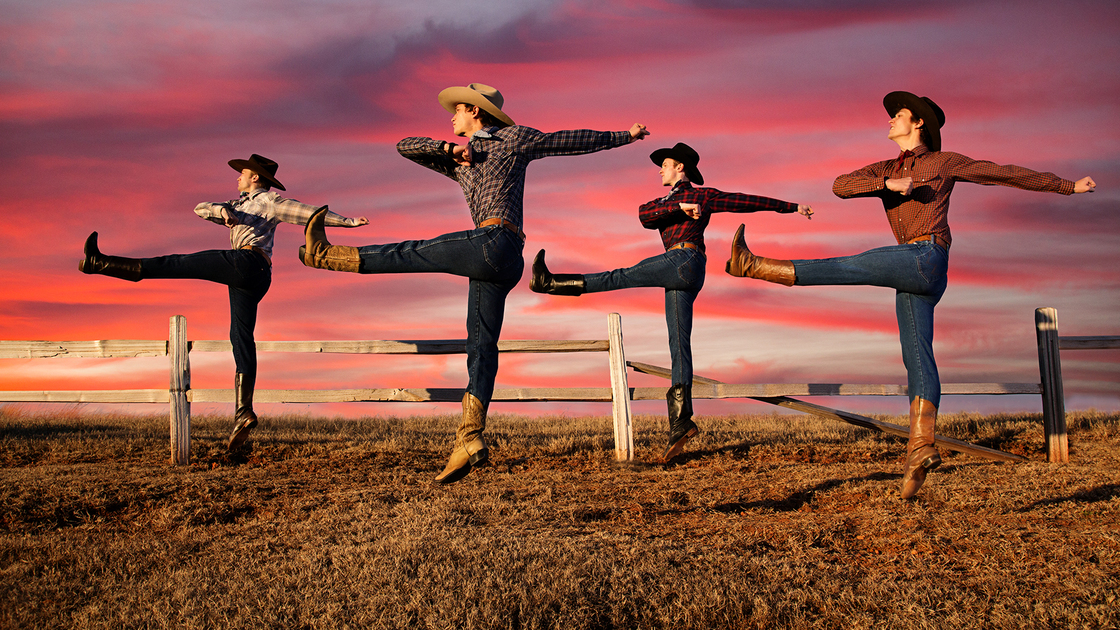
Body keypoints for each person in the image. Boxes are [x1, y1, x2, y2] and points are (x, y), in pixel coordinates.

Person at [726, 91, 1097, 499]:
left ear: (918, 123)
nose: (889, 120)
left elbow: (1002, 172)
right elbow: (840, 186)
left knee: (857, 264)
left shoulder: (944, 161)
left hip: (926, 256)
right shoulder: (885, 166)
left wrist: (1067, 186)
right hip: (911, 273)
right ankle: (921, 448)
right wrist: (886, 183)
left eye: (897, 115)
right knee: (917, 354)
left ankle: (756, 266)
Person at [299, 83, 649, 484]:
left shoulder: (512, 138)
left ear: (474, 112)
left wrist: (624, 136)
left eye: (457, 112)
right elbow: (404, 146)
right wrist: (450, 152)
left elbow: (565, 141)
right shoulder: (460, 161)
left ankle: (327, 256)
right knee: (481, 347)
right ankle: (469, 437)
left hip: (493, 242)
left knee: (414, 251)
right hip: (500, 260)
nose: (451, 118)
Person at [530, 142, 812, 462]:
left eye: (664, 164)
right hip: (682, 269)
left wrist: (791, 206)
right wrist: (678, 209)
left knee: (620, 275)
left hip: (683, 259)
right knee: (678, 343)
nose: (659, 170)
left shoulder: (700, 195)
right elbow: (643, 215)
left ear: (680, 167)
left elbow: (744, 201)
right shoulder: (667, 201)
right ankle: (680, 421)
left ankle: (551, 282)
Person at [78, 154, 369, 450]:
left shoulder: (270, 201)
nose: (237, 178)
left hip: (248, 262)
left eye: (242, 174)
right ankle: (243, 412)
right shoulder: (236, 205)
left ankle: (102, 264)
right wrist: (222, 211)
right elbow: (200, 208)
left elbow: (309, 213)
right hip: (253, 276)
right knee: (240, 338)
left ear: (256, 177)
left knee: (179, 263)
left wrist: (347, 222)